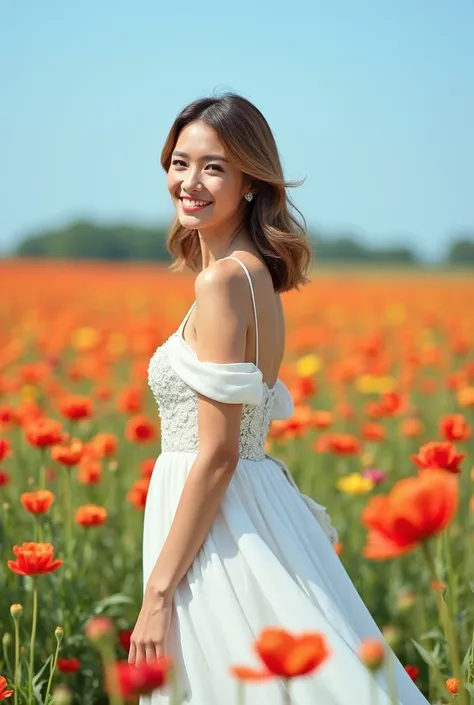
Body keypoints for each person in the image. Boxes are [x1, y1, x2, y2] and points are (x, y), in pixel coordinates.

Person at [130, 93, 429, 704]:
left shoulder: (221, 282)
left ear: (248, 182)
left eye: (213, 166)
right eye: (179, 162)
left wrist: (158, 593)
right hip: (251, 504)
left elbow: (217, 454)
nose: (189, 181)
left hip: (216, 522)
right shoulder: (254, 276)